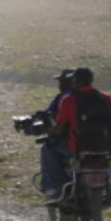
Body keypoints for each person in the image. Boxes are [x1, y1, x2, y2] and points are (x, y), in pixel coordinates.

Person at [53, 67, 111, 203]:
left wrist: (52, 132)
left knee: (50, 148)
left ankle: (55, 189)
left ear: (74, 81)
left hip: (78, 147)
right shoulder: (106, 98)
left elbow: (60, 128)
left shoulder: (68, 99)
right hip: (105, 146)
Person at [39, 69, 75, 202]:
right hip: (101, 144)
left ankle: (54, 187)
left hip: (73, 144)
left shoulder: (64, 98)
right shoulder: (100, 96)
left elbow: (56, 121)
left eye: (61, 82)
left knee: (48, 148)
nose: (59, 85)